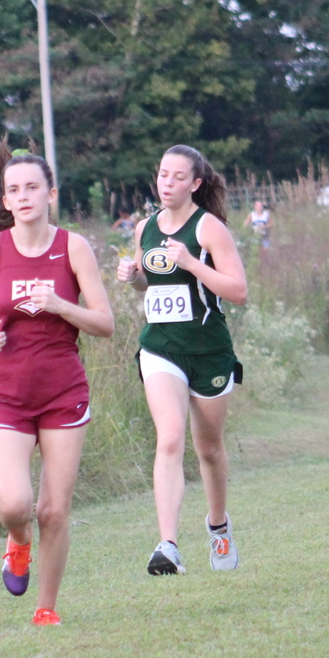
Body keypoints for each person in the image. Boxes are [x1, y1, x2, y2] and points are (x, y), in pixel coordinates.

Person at [0, 143, 114, 627]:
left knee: (54, 512)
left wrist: (62, 305)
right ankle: (17, 542)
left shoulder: (74, 248)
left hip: (63, 391)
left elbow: (105, 323)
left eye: (32, 188)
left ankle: (46, 608)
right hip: (6, 394)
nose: (23, 197)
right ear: (5, 200)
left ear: (51, 194)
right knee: (14, 505)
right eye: (14, 190)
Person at [117, 145, 248, 577]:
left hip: (208, 351)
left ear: (195, 184)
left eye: (177, 177)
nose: (166, 183)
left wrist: (192, 263)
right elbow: (147, 285)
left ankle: (218, 526)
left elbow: (238, 291)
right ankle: (168, 546)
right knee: (170, 438)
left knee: (208, 448)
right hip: (160, 347)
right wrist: (134, 277)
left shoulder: (209, 228)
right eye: (161, 175)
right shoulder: (145, 229)